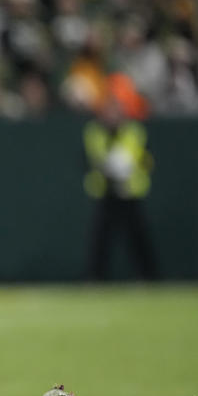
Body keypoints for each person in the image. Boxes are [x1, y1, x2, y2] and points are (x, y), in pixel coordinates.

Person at [83, 73, 157, 281]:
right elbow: (91, 160)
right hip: (106, 191)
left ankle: (148, 276)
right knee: (100, 240)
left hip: (130, 192)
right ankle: (95, 278)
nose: (112, 113)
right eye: (109, 108)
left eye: (116, 108)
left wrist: (129, 166)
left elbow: (147, 160)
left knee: (138, 238)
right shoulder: (94, 132)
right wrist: (108, 166)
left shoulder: (134, 131)